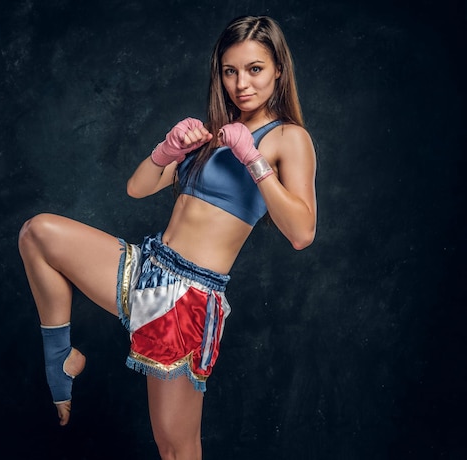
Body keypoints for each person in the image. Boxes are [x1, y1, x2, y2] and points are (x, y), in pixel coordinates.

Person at [18, 15, 316, 459]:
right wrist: (169, 150)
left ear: (278, 70)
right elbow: (137, 188)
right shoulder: (216, 133)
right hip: (148, 268)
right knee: (38, 232)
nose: (241, 84)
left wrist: (254, 159)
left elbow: (302, 232)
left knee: (176, 447)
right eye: (230, 71)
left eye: (255, 69)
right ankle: (61, 357)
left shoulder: (289, 138)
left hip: (187, 298)